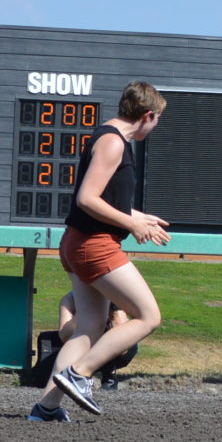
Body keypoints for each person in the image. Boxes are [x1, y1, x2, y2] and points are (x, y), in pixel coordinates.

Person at [32, 81, 171, 421]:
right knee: (148, 316)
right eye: (157, 120)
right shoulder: (113, 142)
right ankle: (80, 374)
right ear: (147, 115)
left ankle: (46, 408)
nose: (155, 126)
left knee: (90, 327)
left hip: (80, 242)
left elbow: (104, 199)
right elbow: (87, 199)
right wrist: (131, 224)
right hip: (94, 245)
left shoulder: (110, 137)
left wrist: (138, 217)